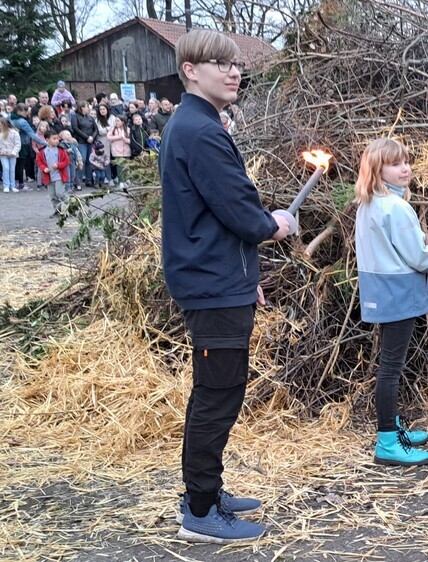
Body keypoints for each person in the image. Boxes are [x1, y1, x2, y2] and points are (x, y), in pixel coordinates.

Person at [160, 28, 291, 544]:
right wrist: (273, 224)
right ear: (191, 70)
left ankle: (205, 491)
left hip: (219, 282)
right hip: (211, 285)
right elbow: (237, 209)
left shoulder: (194, 123)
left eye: (235, 63)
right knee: (217, 395)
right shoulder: (201, 131)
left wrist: (245, 280)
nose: (234, 71)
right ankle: (199, 509)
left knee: (216, 392)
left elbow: (212, 215)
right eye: (220, 63)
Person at [354, 138, 428, 467]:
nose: (404, 168)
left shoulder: (369, 203)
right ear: (378, 169)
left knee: (388, 366)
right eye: (394, 163)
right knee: (390, 369)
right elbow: (420, 257)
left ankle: (392, 429)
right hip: (398, 294)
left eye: (406, 161)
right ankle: (387, 440)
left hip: (379, 292)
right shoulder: (395, 207)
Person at [8, 104, 45, 190]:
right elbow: (32, 134)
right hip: (22, 144)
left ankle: (12, 182)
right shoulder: (22, 122)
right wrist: (44, 143)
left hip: (10, 144)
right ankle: (21, 183)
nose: (27, 113)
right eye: (25, 111)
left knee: (13, 164)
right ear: (19, 111)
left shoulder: (9, 117)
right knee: (20, 164)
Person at [35, 130, 71, 216]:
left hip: (59, 175)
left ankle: (69, 206)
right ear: (47, 140)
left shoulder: (61, 150)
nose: (57, 140)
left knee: (60, 193)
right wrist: (44, 168)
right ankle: (58, 210)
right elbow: (39, 161)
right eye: (54, 138)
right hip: (49, 177)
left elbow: (66, 161)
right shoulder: (42, 151)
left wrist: (58, 165)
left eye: (58, 138)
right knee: (53, 195)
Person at [70, 102, 98, 187]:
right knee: (81, 160)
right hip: (81, 141)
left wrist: (92, 137)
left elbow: (96, 129)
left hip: (90, 142)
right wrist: (87, 137)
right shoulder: (75, 117)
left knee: (89, 161)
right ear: (81, 107)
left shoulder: (90, 118)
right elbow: (75, 129)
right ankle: (77, 180)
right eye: (87, 107)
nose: (88, 109)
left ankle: (89, 180)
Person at [0, 117, 20, 192]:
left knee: (12, 169)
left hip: (12, 154)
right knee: (6, 168)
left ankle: (12, 185)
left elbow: (17, 144)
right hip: (2, 154)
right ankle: (6, 185)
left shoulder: (14, 132)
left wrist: (14, 152)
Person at [108, 117, 130, 186]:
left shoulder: (128, 129)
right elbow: (108, 137)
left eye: (118, 121)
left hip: (126, 151)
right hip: (117, 151)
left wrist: (125, 139)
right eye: (116, 121)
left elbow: (130, 140)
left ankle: (126, 179)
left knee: (126, 166)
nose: (116, 122)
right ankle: (121, 181)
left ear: (122, 122)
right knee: (120, 166)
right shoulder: (113, 129)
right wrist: (118, 137)